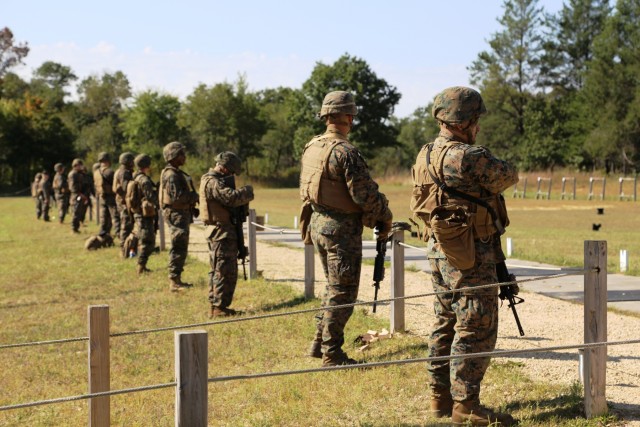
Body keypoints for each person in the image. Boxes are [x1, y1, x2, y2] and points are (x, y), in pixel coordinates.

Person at [409, 86, 518, 426]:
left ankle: (438, 398)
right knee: (475, 326)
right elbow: (508, 174)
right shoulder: (467, 156)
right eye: (477, 119)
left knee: (445, 322)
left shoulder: (425, 154)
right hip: (470, 254)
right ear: (467, 120)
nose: (479, 126)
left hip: (439, 251)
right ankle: (466, 405)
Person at [299, 90, 393, 367]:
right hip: (341, 231)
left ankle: (319, 343)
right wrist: (385, 216)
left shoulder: (312, 146)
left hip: (318, 223)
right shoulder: (345, 152)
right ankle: (332, 353)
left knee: (333, 287)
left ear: (326, 116)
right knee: (343, 292)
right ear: (349, 117)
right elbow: (365, 195)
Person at [200, 151, 254, 317]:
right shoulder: (212, 182)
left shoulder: (211, 180)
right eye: (231, 172)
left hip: (223, 231)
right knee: (223, 270)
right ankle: (218, 307)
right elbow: (230, 198)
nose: (232, 176)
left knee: (222, 269)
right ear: (224, 168)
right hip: (221, 233)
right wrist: (247, 192)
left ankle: (219, 305)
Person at [159, 141, 199, 292]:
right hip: (176, 214)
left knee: (180, 246)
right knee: (178, 246)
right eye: (181, 154)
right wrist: (193, 197)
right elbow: (178, 198)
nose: (184, 156)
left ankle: (177, 279)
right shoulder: (172, 175)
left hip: (180, 213)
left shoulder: (174, 173)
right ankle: (174, 281)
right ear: (174, 156)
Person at [129, 154, 158, 275]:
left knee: (145, 239)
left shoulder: (135, 177)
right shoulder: (144, 180)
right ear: (147, 165)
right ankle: (141, 267)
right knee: (148, 241)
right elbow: (151, 198)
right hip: (144, 215)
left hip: (138, 213)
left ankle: (142, 266)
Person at [113, 152, 135, 256]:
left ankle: (129, 248)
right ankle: (123, 250)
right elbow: (126, 189)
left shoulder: (120, 171)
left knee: (127, 225)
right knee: (126, 226)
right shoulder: (124, 173)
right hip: (124, 203)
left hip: (122, 201)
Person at [94, 152, 120, 238]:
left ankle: (103, 234)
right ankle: (120, 234)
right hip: (111, 197)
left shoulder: (96, 172)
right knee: (116, 217)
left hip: (102, 197)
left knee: (104, 218)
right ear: (108, 160)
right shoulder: (109, 172)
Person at [68, 159, 90, 233]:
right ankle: (74, 228)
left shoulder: (79, 173)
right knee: (76, 212)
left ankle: (76, 228)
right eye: (79, 165)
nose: (81, 167)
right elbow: (72, 187)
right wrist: (80, 194)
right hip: (76, 195)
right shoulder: (73, 174)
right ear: (75, 166)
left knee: (79, 212)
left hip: (81, 195)